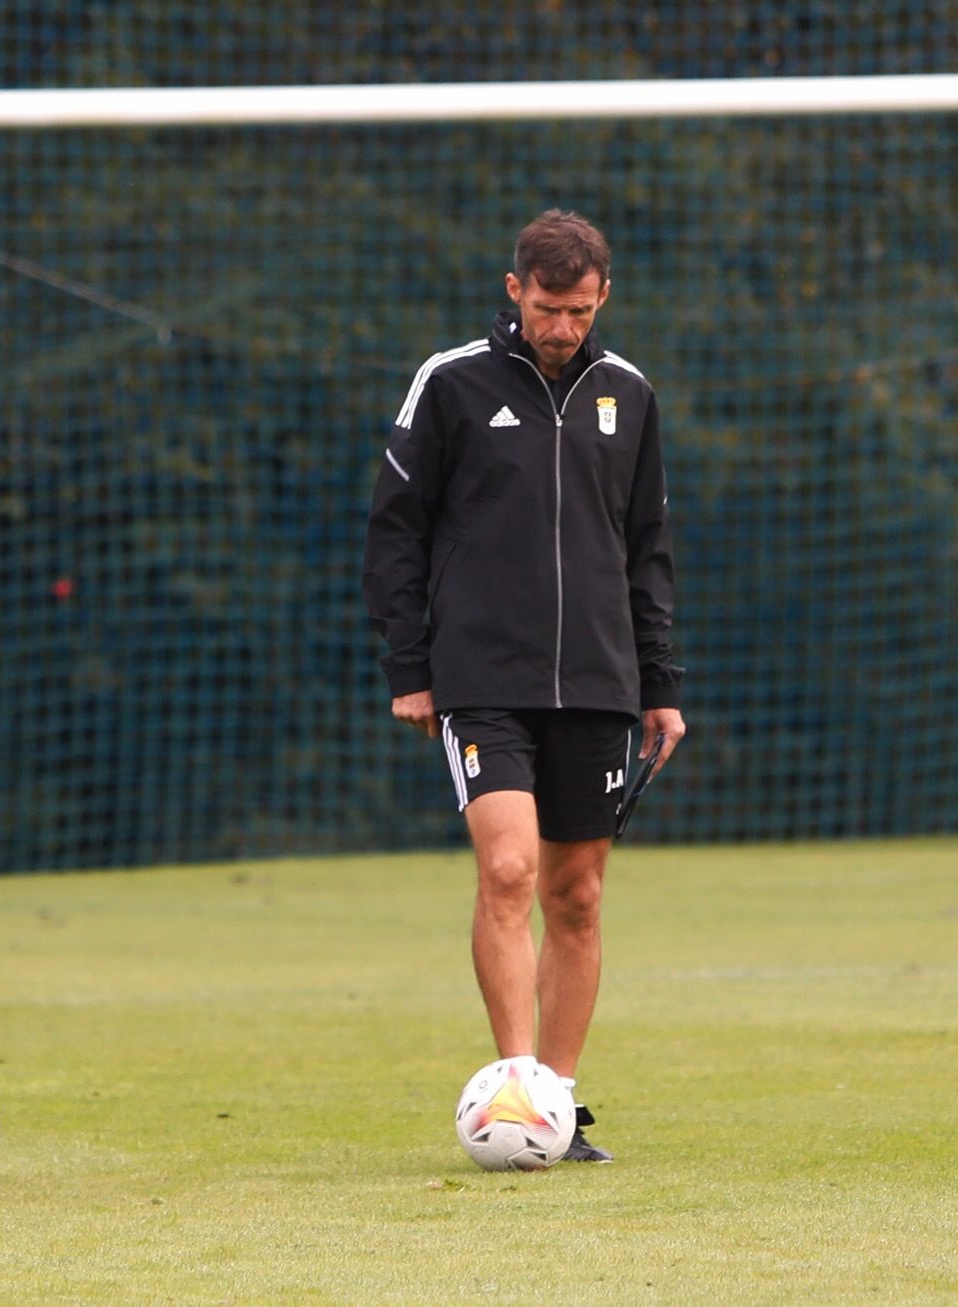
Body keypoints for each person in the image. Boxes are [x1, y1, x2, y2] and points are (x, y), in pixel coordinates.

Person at [362, 210, 686, 1163]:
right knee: (507, 870)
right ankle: (513, 1095)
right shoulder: (451, 382)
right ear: (514, 291)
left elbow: (647, 551)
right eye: (547, 308)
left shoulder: (627, 394)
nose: (562, 327)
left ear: (603, 298)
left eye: (580, 310)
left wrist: (658, 682)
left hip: (598, 678)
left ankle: (561, 1101)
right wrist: (409, 667)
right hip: (479, 675)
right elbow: (395, 531)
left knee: (576, 894)